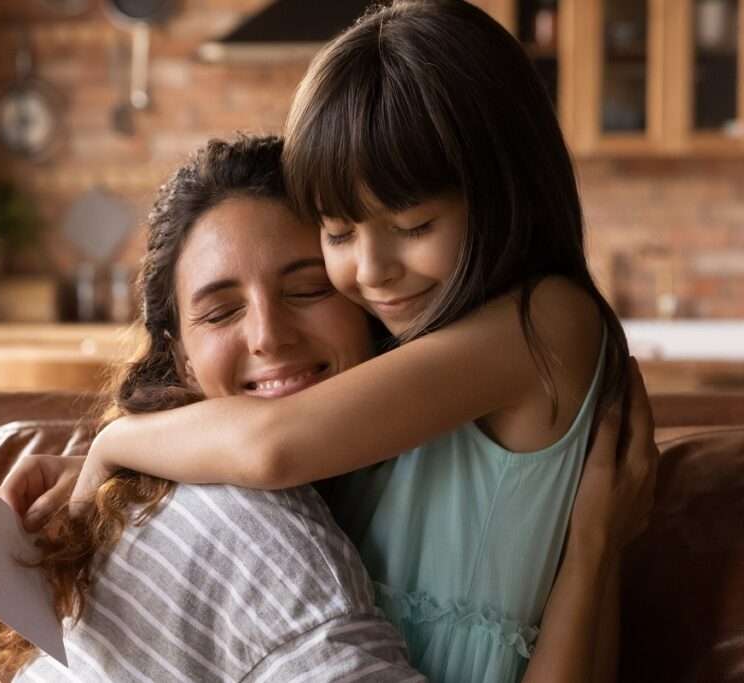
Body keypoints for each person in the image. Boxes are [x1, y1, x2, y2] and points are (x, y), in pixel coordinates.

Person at [70, 3, 638, 682]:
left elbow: (272, 443)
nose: (371, 271)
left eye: (413, 224)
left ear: (503, 190)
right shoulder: (402, 355)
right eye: (338, 234)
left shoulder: (543, 323)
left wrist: (113, 441)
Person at [0, 137, 658, 683]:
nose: (269, 336)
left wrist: (595, 550)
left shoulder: (376, 465)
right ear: (180, 357)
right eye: (220, 311)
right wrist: (112, 444)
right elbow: (270, 443)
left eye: (307, 290)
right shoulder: (255, 534)